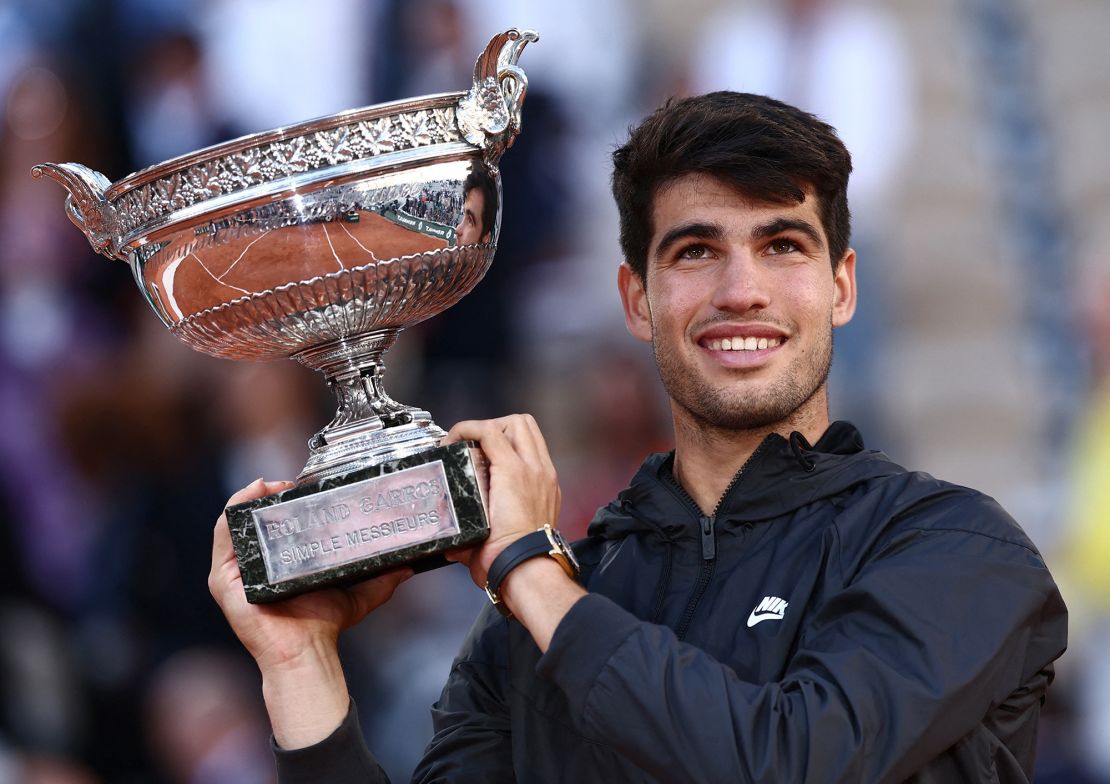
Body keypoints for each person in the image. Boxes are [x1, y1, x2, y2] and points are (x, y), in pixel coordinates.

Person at [209, 91, 1067, 782]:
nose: (742, 290)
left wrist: (529, 574)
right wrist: (301, 669)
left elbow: (791, 761)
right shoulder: (533, 624)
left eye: (782, 246)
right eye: (696, 251)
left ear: (841, 287)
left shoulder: (951, 547)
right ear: (636, 299)